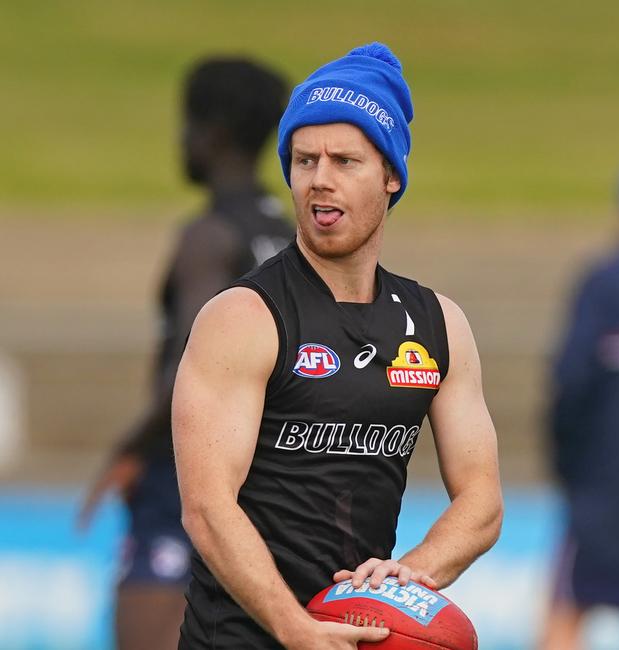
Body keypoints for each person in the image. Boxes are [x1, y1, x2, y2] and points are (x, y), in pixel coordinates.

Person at [172, 42, 503, 650]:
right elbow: (208, 510)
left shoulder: (437, 325)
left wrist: (415, 571)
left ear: (391, 175)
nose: (320, 179)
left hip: (359, 636)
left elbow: (482, 499)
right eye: (304, 160)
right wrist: (293, 626)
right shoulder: (243, 317)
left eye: (345, 160)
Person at [78, 57, 292, 650]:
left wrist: (129, 450)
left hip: (187, 478)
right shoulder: (288, 234)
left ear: (213, 134)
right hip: (268, 483)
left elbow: (186, 370)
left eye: (187, 125)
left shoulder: (209, 236)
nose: (181, 140)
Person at [540, 154, 619, 650]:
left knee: (567, 610)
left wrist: (569, 470)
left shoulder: (605, 282)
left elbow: (571, 384)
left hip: (606, 486)